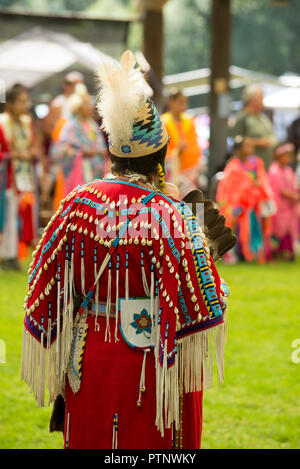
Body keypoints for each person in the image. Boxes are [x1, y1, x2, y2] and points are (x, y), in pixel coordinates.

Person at [21, 50, 229, 449]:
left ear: (113, 153)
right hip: (152, 363)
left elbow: (40, 288)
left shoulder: (76, 204)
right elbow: (208, 305)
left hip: (89, 358)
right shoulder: (171, 214)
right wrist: (204, 257)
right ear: (161, 158)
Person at [216, 136, 275, 263]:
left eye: (250, 145)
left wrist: (260, 192)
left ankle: (253, 254)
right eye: (246, 146)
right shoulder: (233, 166)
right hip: (238, 204)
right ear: (238, 150)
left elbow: (262, 180)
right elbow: (227, 187)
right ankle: (237, 253)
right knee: (235, 226)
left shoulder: (256, 162)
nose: (250, 148)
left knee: (255, 228)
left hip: (254, 203)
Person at [50, 83, 108, 211]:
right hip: (80, 172)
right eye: (86, 103)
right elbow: (61, 150)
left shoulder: (92, 124)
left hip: (95, 172)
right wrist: (83, 153)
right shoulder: (71, 125)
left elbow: (100, 146)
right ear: (78, 106)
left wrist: (101, 152)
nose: (90, 106)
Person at [0, 84, 39, 269]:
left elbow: (31, 145)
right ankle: (7, 256)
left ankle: (15, 254)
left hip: (24, 175)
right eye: (21, 102)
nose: (25, 105)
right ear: (10, 103)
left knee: (21, 213)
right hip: (7, 176)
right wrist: (13, 155)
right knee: (7, 214)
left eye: (26, 101)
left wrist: (31, 153)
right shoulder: (2, 122)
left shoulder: (26, 121)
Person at [161, 89, 202, 196]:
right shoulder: (163, 122)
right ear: (170, 102)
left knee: (192, 200)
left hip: (190, 168)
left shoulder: (189, 121)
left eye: (185, 102)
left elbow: (194, 145)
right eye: (180, 102)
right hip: (171, 172)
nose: (184, 106)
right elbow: (162, 147)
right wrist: (177, 150)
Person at [230, 85, 277, 169]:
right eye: (261, 98)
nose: (262, 101)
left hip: (265, 165)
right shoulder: (243, 117)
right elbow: (236, 140)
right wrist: (258, 142)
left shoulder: (262, 117)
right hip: (250, 168)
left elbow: (271, 138)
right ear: (252, 100)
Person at [268, 142, 300, 260]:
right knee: (276, 230)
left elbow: (293, 185)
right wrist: (293, 196)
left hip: (289, 207)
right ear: (278, 156)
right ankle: (274, 253)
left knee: (288, 230)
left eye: (290, 156)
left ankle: (287, 252)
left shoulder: (288, 170)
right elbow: (280, 189)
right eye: (286, 156)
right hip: (278, 206)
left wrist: (295, 195)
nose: (288, 158)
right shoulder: (274, 170)